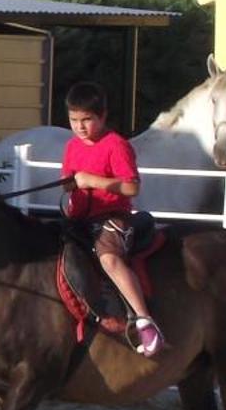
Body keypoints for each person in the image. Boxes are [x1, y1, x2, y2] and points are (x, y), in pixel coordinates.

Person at [61, 81, 163, 356]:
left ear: (103, 116)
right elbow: (68, 181)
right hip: (79, 217)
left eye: (87, 120)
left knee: (109, 258)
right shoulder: (72, 146)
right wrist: (70, 184)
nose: (80, 127)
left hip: (112, 217)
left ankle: (144, 320)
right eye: (74, 120)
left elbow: (131, 187)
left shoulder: (116, 145)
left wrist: (93, 181)